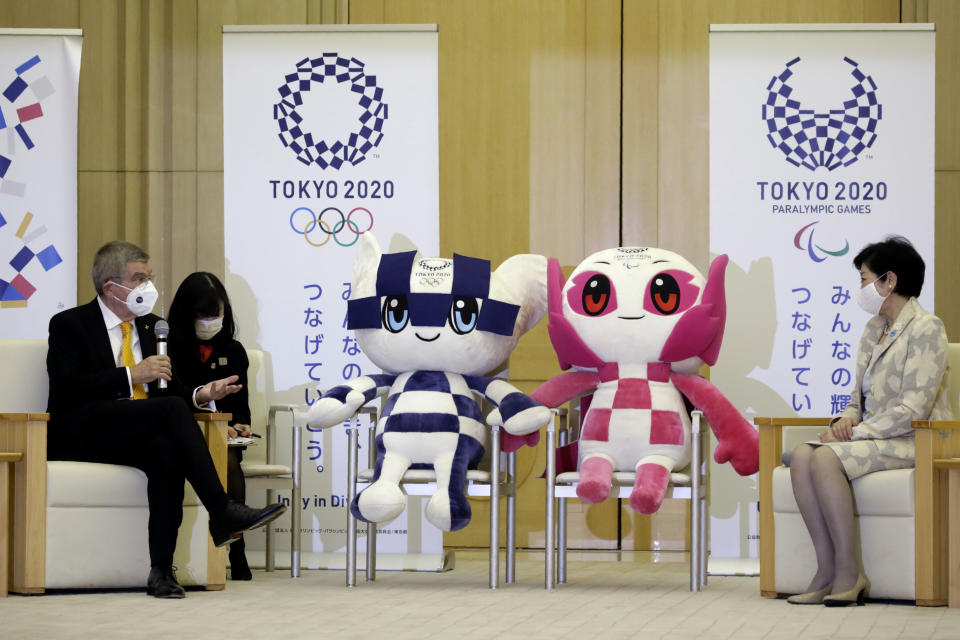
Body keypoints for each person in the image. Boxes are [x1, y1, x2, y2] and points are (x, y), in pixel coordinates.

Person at [46, 241, 286, 598]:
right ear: (111, 287)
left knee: (166, 452)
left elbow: (168, 389)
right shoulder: (70, 324)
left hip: (132, 432)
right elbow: (67, 388)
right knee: (170, 415)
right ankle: (222, 511)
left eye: (150, 277)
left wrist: (201, 395)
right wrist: (132, 375)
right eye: (139, 278)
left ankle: (161, 570)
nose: (148, 286)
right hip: (83, 431)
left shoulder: (154, 327)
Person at [786, 236, 951, 607]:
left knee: (826, 457)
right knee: (801, 455)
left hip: (917, 440)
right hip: (878, 437)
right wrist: (845, 419)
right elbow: (855, 396)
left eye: (864, 279)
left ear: (889, 281)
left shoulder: (927, 328)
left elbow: (914, 409)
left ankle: (849, 572)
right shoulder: (872, 329)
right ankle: (825, 570)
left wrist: (855, 433)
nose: (860, 288)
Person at [168, 272, 256, 580]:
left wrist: (242, 425)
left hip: (225, 436)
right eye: (201, 315)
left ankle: (238, 548)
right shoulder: (168, 350)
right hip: (185, 434)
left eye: (214, 314)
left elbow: (240, 403)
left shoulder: (234, 351)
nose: (209, 322)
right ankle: (230, 539)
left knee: (230, 457)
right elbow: (170, 399)